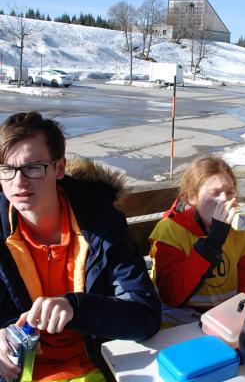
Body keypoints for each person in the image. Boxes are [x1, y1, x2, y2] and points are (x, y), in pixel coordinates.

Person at [0, 112, 161, 382]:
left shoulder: (103, 227)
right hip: (16, 372)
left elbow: (144, 316)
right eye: (7, 169)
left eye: (33, 167)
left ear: (59, 168)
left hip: (93, 364)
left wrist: (77, 309)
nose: (18, 182)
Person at [149, 156, 245, 325]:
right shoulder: (171, 231)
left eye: (230, 192)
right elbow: (171, 295)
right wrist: (213, 242)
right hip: (180, 318)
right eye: (215, 193)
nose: (225, 199)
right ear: (192, 198)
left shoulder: (241, 230)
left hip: (226, 315)